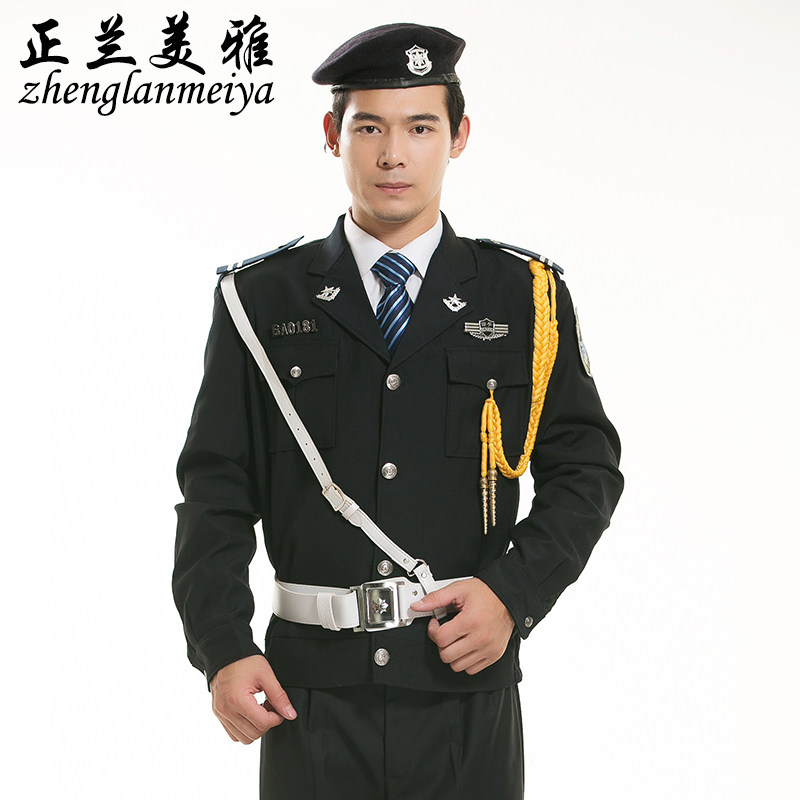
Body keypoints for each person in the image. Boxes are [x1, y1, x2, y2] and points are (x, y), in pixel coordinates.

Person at [174, 22, 623, 800]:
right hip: (309, 692)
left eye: (420, 128)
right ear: (332, 135)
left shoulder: (523, 298)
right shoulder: (260, 299)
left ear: (458, 137)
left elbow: (586, 470)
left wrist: (513, 595)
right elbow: (215, 489)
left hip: (462, 684)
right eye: (369, 128)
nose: (393, 156)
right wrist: (220, 647)